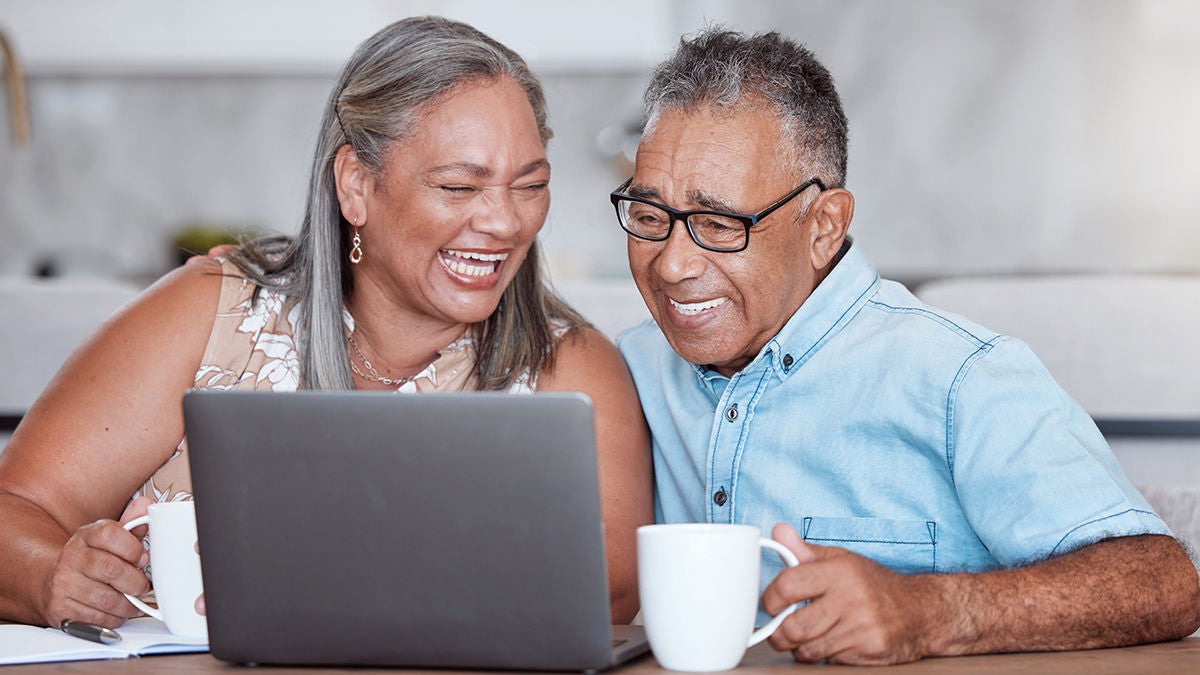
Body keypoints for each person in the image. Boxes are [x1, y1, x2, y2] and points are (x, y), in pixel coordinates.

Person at [0, 16, 651, 630]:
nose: (506, 222)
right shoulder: (212, 311)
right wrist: (50, 575)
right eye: (459, 187)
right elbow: (17, 512)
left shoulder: (566, 364)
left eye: (530, 184)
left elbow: (612, 586)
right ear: (355, 185)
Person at [613, 28, 1200, 664]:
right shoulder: (627, 372)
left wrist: (929, 612)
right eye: (648, 219)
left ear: (825, 226)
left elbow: (1163, 583)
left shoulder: (961, 376)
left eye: (718, 225)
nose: (671, 265)